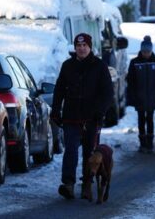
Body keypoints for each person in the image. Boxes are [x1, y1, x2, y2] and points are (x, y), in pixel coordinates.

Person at [51, 32, 114, 200]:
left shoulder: (99, 66)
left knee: (89, 153)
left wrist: (100, 111)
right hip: (71, 117)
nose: (81, 48)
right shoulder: (67, 66)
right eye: (78, 46)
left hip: (92, 118)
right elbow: (59, 91)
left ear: (90, 47)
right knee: (70, 151)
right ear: (75, 47)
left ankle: (87, 184)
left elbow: (108, 93)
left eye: (84, 45)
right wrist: (56, 111)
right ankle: (68, 184)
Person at [125, 35, 155, 153]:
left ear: (151, 50)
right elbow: (130, 81)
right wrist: (131, 96)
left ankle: (150, 143)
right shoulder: (134, 62)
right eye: (144, 51)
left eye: (148, 51)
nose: (146, 54)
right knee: (141, 119)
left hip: (152, 97)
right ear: (141, 50)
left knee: (150, 119)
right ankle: (142, 143)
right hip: (140, 97)